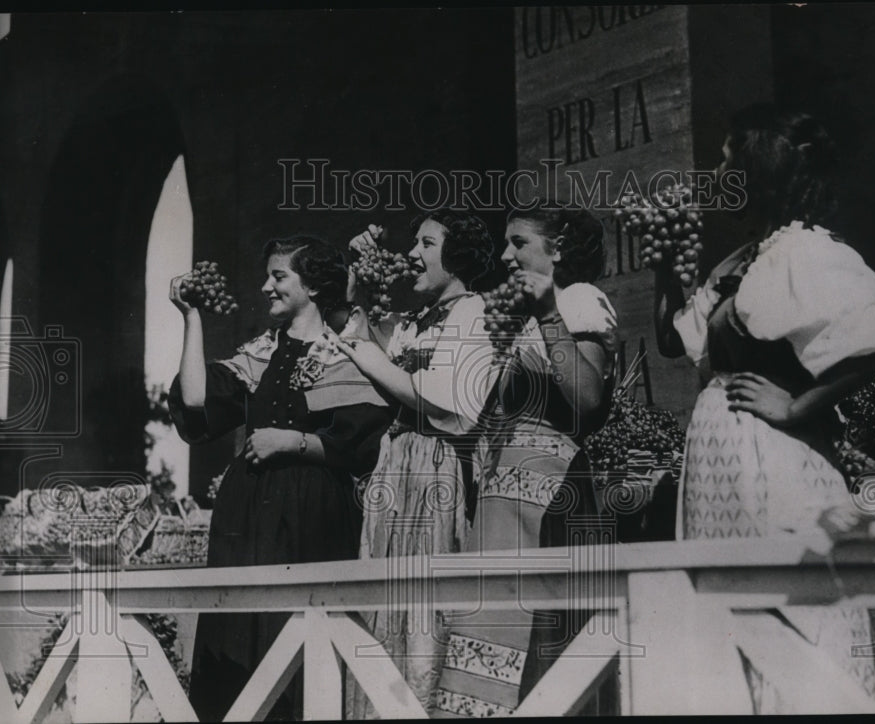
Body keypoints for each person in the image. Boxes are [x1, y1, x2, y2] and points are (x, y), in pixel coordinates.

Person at [654, 105, 875, 713]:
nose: (718, 175)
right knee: (729, 613)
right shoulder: (746, 259)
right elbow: (674, 341)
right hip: (723, 473)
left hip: (771, 465)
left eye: (727, 163)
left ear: (760, 168)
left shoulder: (805, 251)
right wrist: (664, 270)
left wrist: (795, 405)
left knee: (782, 608)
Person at [168, 235, 395, 721]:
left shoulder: (346, 353)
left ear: (312, 286)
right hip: (246, 516)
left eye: (279, 276)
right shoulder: (260, 352)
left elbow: (361, 441)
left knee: (299, 639)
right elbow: (194, 401)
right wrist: (191, 317)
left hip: (313, 513)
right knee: (237, 638)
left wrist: (291, 442)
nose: (265, 286)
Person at [431, 205, 619, 718]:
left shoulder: (578, 299)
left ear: (557, 250)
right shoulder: (520, 313)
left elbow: (586, 400)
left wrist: (549, 317)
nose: (506, 255)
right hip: (500, 505)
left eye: (519, 243)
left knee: (537, 652)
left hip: (547, 501)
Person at [334, 209, 498, 716]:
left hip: (435, 472)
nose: (412, 255)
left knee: (425, 609)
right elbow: (363, 337)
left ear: (459, 256)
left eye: (427, 244)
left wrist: (372, 358)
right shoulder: (418, 321)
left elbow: (450, 404)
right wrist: (356, 281)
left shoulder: (476, 313)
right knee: (385, 604)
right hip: (398, 467)